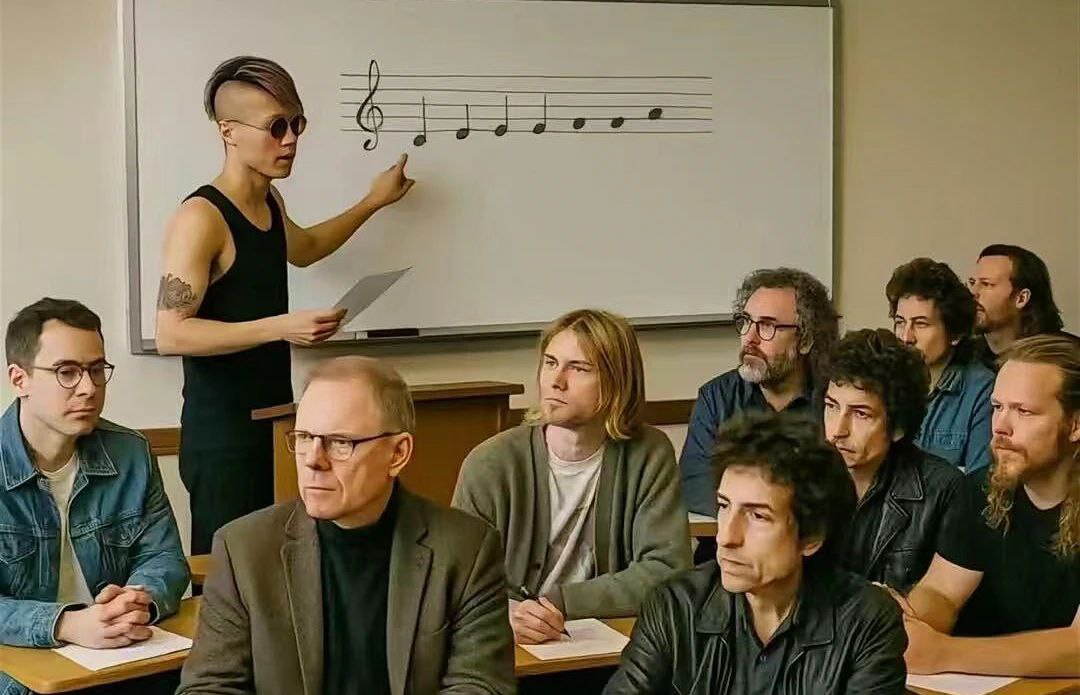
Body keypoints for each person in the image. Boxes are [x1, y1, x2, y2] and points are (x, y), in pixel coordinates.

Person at [155, 56, 417, 554]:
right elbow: (172, 332)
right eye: (276, 127)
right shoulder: (201, 217)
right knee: (230, 573)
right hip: (224, 435)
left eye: (297, 123)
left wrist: (373, 201)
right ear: (229, 132)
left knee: (282, 564)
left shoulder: (270, 202)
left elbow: (305, 248)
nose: (291, 139)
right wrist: (280, 327)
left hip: (277, 421)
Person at [178, 356, 514, 695]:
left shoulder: (466, 548)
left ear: (398, 453)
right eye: (305, 437)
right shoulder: (243, 549)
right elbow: (208, 687)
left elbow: (480, 685)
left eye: (340, 442)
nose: (313, 460)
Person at [604, 411, 907, 694]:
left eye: (758, 516)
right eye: (724, 506)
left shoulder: (866, 622)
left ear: (812, 537)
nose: (726, 537)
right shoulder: (675, 607)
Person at [452, 309, 691, 645]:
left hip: (608, 645)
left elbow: (667, 569)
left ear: (616, 382)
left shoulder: (648, 453)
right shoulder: (491, 463)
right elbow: (456, 583)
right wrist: (505, 613)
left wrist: (560, 602)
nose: (556, 380)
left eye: (578, 368)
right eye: (550, 363)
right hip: (512, 646)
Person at [1, 299, 189, 695]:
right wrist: (65, 623)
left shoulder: (130, 453)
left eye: (97, 369)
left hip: (118, 656)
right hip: (22, 664)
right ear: (20, 380)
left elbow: (164, 556)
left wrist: (138, 600)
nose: (88, 387)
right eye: (67, 372)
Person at [891, 334, 1079, 677]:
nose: (1000, 427)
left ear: (1076, 424)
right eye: (997, 407)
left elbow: (1077, 648)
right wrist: (912, 623)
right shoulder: (981, 487)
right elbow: (942, 591)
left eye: (1024, 411)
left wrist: (944, 653)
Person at [679, 268, 839, 518]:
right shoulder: (716, 398)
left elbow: (840, 493)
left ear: (806, 340)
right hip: (729, 539)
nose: (749, 338)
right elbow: (696, 487)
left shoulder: (834, 401)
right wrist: (764, 518)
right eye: (746, 322)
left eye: (767, 326)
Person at [823, 329, 963, 591]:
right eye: (831, 407)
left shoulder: (943, 490)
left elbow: (939, 597)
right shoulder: (799, 475)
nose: (837, 431)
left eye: (861, 414)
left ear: (898, 426)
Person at [887, 257, 994, 471]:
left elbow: (980, 481)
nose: (906, 337)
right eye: (900, 322)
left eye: (920, 324)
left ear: (955, 333)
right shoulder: (884, 379)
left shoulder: (981, 389)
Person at [968, 244, 1063, 372]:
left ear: (1021, 298)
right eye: (972, 283)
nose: (973, 292)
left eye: (986, 284)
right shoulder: (965, 357)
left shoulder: (1059, 362)